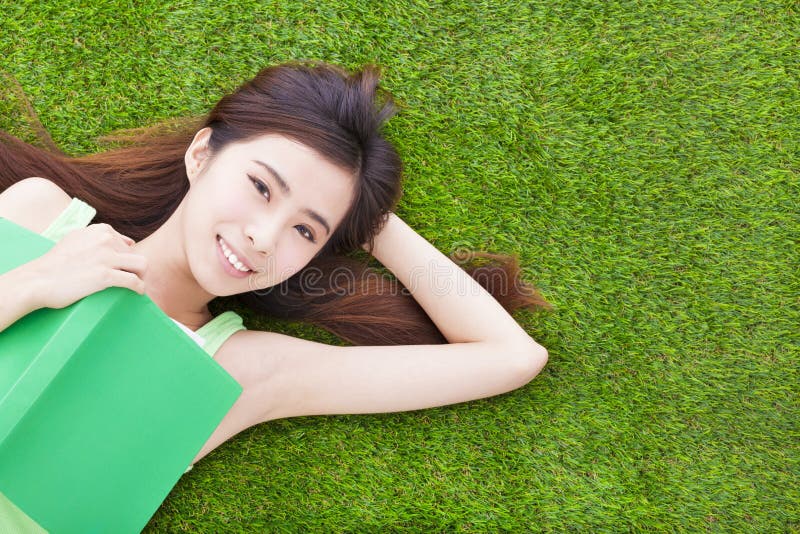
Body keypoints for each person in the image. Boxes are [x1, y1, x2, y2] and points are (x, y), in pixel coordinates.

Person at [0, 62, 550, 472]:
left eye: (306, 230)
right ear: (200, 155)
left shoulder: (241, 373)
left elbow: (511, 356)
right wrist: (32, 283)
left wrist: (368, 215)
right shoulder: (42, 218)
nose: (264, 238)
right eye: (261, 186)